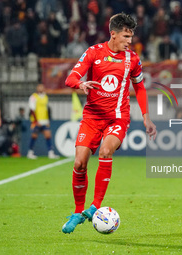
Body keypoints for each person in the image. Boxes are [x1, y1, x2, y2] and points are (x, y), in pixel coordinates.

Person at [62, 13, 157, 234]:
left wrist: (146, 117)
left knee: (106, 151)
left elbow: (140, 87)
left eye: (131, 36)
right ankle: (78, 211)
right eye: (126, 36)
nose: (129, 41)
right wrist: (81, 84)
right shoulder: (94, 53)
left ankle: (95, 205)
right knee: (79, 164)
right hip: (92, 118)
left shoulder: (132, 59)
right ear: (112, 33)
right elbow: (70, 78)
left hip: (117, 117)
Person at [27, 84, 59, 159]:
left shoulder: (45, 96)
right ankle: (30, 152)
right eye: (39, 87)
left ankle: (51, 153)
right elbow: (32, 109)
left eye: (42, 87)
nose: (41, 89)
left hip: (45, 120)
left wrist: (47, 120)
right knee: (34, 136)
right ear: (37, 88)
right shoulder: (33, 97)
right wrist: (36, 120)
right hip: (37, 120)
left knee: (48, 135)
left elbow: (46, 108)